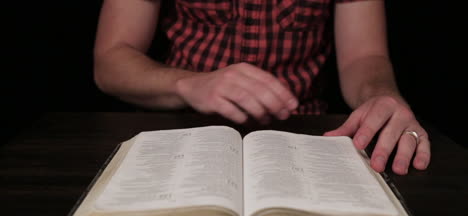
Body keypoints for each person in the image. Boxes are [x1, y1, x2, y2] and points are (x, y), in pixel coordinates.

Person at [93, 0, 430, 175]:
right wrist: (187, 84)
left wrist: (381, 97)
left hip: (305, 139)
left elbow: (363, 57)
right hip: (180, 131)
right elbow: (111, 60)